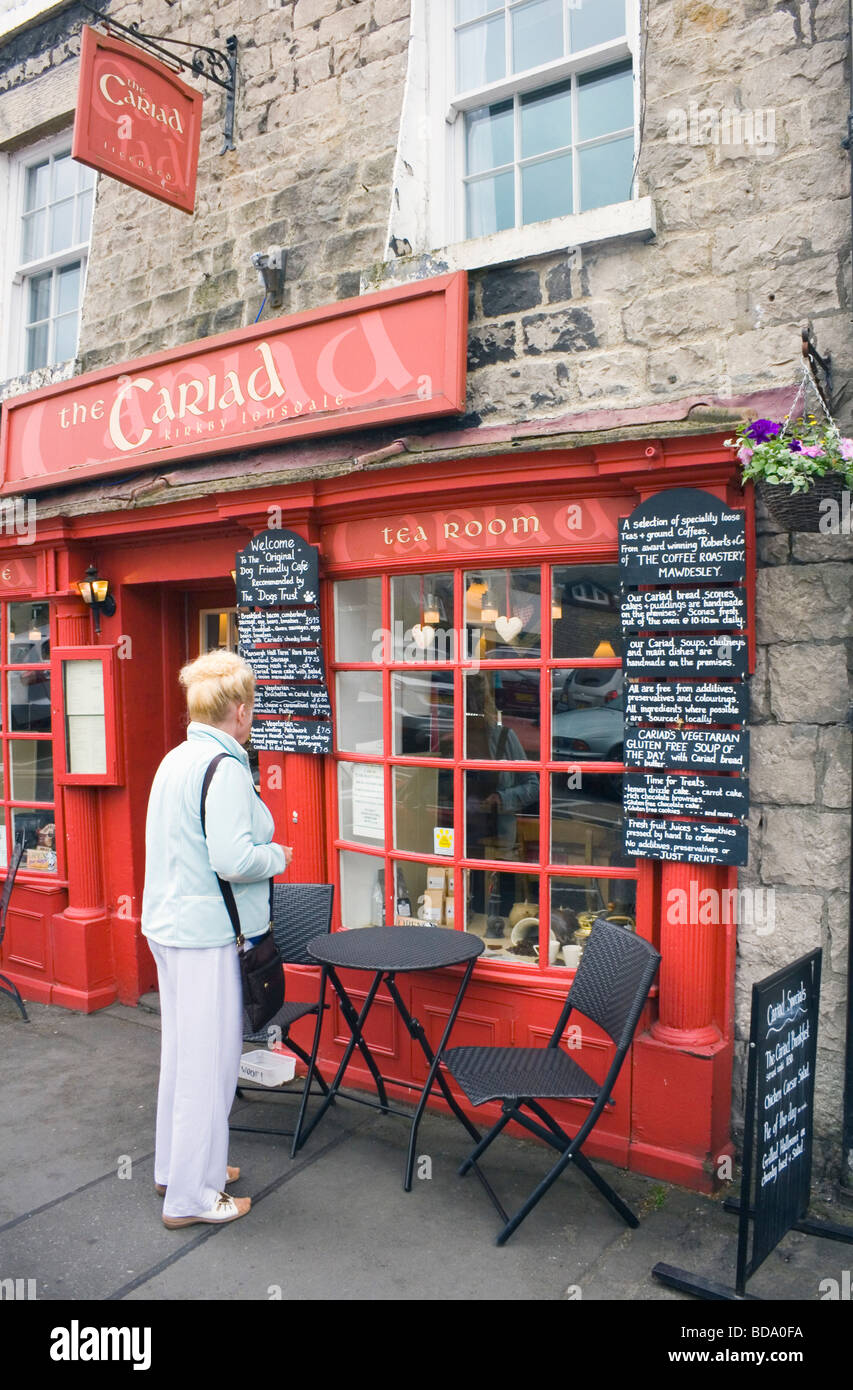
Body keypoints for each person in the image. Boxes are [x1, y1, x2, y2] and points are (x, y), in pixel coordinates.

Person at [141, 650, 292, 1229]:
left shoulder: (176, 758)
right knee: (210, 1064)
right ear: (238, 708)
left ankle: (178, 1169)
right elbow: (234, 860)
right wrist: (278, 854)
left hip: (170, 927)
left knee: (182, 1056)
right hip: (207, 936)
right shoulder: (225, 768)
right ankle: (191, 1199)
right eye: (250, 705)